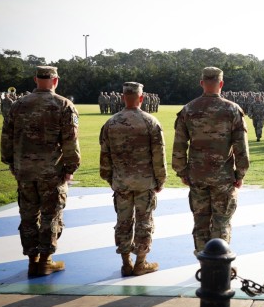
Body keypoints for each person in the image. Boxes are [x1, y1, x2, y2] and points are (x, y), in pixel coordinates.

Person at [0, 66, 81, 276]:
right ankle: (45, 261)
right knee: (50, 215)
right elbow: (70, 141)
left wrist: (11, 163)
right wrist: (70, 167)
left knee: (28, 215)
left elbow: (6, 137)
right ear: (56, 81)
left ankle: (32, 260)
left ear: (36, 79)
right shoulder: (63, 104)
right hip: (51, 171)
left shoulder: (18, 104)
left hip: (24, 170)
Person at [172, 67, 250, 257]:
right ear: (221, 84)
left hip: (197, 176)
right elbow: (241, 149)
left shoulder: (188, 110)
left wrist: (182, 172)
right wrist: (240, 174)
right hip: (223, 178)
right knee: (221, 221)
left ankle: (203, 263)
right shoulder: (232, 110)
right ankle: (220, 265)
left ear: (201, 83)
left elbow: (179, 147)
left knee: (200, 222)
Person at [99, 82, 167, 276]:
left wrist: (110, 178)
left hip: (121, 181)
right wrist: (160, 180)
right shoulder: (150, 122)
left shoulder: (111, 123)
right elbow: (158, 156)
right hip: (145, 182)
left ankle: (126, 262)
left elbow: (105, 156)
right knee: (144, 222)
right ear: (141, 97)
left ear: (122, 98)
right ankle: (141, 262)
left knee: (123, 221)